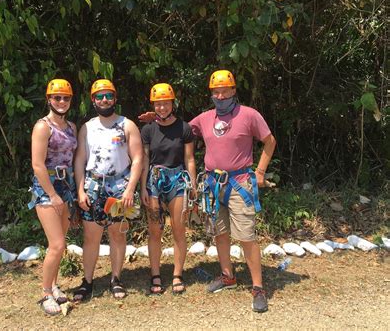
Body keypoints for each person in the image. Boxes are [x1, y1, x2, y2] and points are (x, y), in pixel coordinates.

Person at [139, 70, 276, 312]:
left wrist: (261, 172)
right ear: (211, 94)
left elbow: (270, 141)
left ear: (234, 90)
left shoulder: (249, 115)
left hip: (239, 182)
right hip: (213, 184)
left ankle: (257, 287)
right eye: (216, 91)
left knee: (246, 235)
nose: (220, 95)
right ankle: (228, 276)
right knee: (220, 234)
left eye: (225, 90)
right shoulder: (204, 119)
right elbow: (174, 130)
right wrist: (158, 116)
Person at [74, 79, 143, 300]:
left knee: (118, 235)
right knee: (91, 237)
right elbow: (80, 160)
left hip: (120, 187)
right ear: (93, 100)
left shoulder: (127, 125)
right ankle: (87, 281)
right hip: (93, 186)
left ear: (115, 98)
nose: (105, 100)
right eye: (100, 96)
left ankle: (116, 278)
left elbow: (138, 158)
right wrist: (80, 190)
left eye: (109, 96)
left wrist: (130, 189)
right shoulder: (87, 127)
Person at [140, 83, 196, 295]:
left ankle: (177, 274)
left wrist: (191, 184)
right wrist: (143, 187)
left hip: (177, 179)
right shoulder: (148, 130)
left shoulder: (184, 128)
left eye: (165, 103)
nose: (162, 108)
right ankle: (155, 274)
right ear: (153, 104)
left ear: (173, 103)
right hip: (154, 179)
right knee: (155, 229)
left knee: (178, 228)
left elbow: (189, 158)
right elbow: (144, 160)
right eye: (158, 104)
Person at [28, 79, 78, 315]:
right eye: (57, 97)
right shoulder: (43, 127)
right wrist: (51, 194)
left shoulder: (72, 127)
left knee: (62, 243)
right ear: (48, 99)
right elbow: (37, 164)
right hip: (47, 185)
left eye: (65, 98)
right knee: (56, 245)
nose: (61, 101)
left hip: (66, 184)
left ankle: (55, 284)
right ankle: (46, 292)